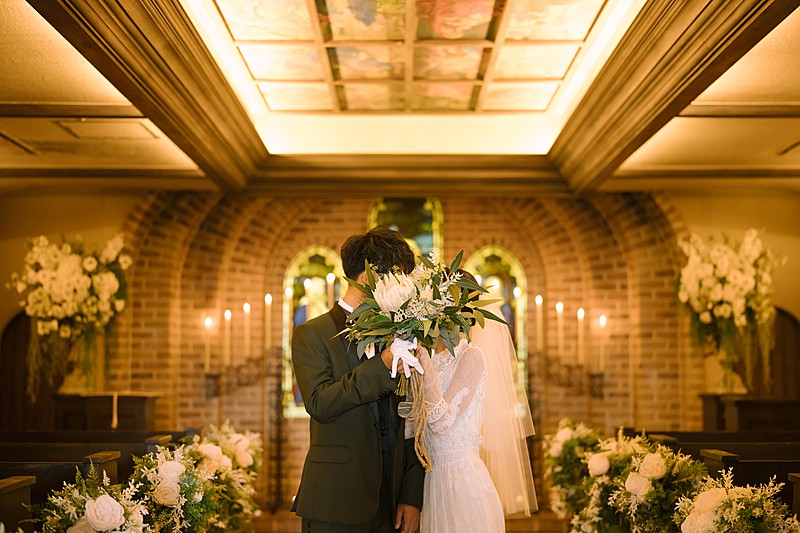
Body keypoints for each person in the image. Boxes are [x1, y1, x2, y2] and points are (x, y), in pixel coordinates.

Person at [291, 226, 425, 533]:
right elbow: (320, 403)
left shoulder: (399, 334)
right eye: (399, 280)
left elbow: (412, 420)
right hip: (335, 501)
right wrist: (383, 365)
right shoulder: (312, 334)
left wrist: (411, 495)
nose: (405, 291)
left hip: (392, 503)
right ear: (368, 278)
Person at [417, 276, 537, 532]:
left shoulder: (470, 356)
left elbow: (442, 421)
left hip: (460, 484)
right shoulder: (435, 360)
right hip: (432, 481)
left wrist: (424, 366)